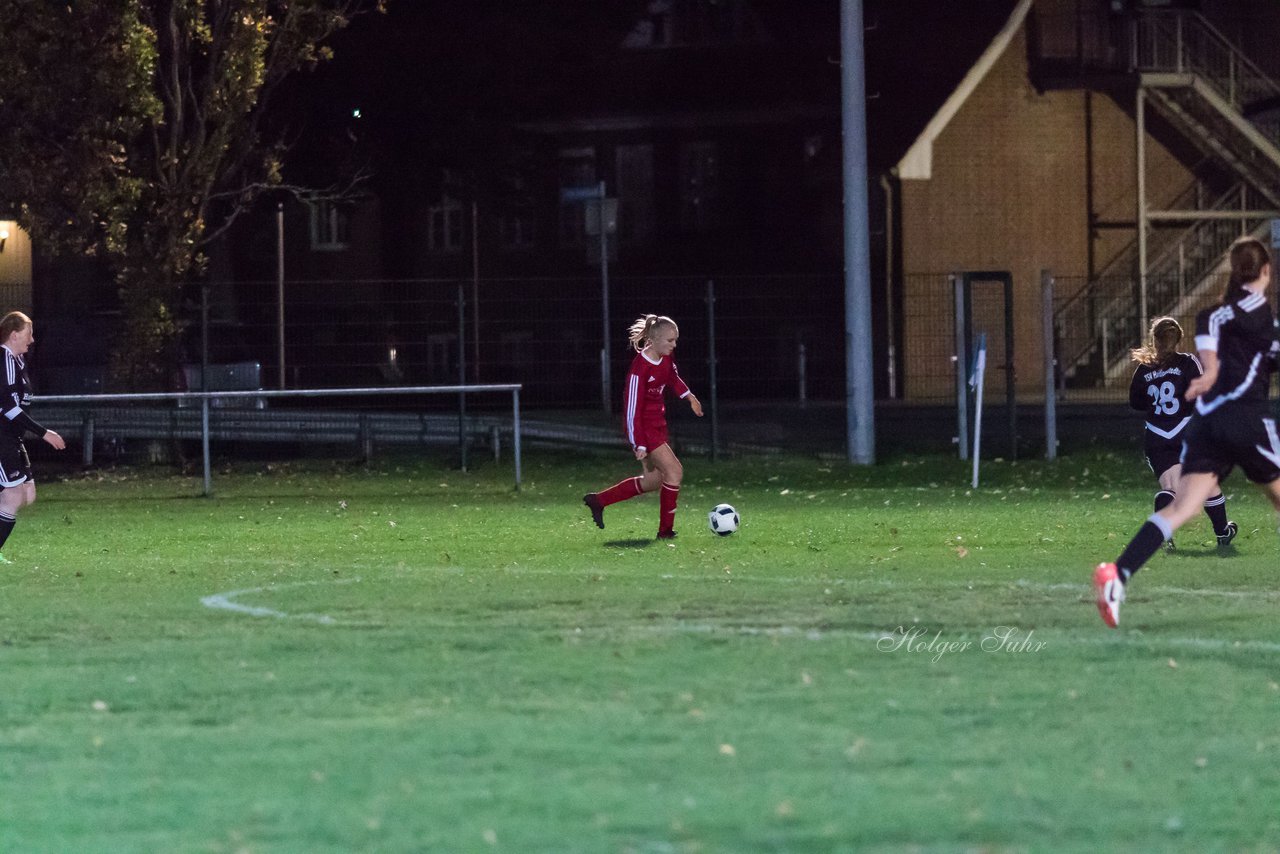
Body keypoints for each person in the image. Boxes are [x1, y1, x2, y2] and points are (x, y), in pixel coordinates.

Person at [1095, 238, 1280, 628]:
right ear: (1266, 272)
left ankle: (1118, 576)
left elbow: (1210, 370)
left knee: (1182, 508)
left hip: (1210, 424)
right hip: (1249, 421)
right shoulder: (1268, 322)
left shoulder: (1210, 317)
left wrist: (1205, 383)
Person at [583, 314, 703, 539]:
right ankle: (665, 532)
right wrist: (637, 442)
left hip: (658, 425)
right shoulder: (640, 369)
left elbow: (673, 377)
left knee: (654, 481)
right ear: (654, 340)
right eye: (670, 340)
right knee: (675, 472)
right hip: (644, 431)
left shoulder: (665, 357)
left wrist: (689, 397)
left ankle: (598, 501)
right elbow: (631, 410)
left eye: (675, 340)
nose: (674, 344)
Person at [1127, 315, 1236, 550]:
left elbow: (1135, 402)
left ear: (1154, 340)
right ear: (1178, 339)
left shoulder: (1144, 368)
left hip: (1157, 436)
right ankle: (1222, 532)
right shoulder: (1187, 363)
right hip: (1186, 432)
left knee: (1171, 487)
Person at [0, 311, 66, 564]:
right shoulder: (4, 358)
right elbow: (8, 408)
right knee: (13, 496)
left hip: (12, 438)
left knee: (28, 494)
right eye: (29, 333)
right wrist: (44, 433)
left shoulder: (17, 361)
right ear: (14, 334)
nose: (32, 339)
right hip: (2, 438)